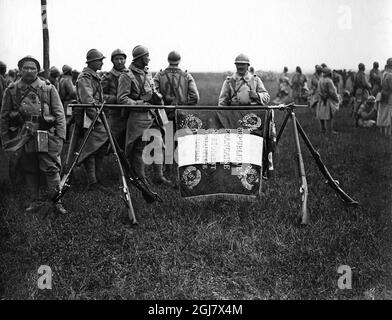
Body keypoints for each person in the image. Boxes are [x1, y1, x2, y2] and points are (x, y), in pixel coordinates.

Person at [0, 55, 67, 213]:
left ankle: (56, 202)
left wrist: (60, 138)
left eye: (33, 68)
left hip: (45, 134)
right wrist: (6, 140)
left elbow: (59, 114)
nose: (29, 71)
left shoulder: (48, 87)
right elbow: (3, 117)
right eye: (26, 68)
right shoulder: (12, 90)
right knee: (28, 168)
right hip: (23, 135)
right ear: (20, 70)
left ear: (38, 70)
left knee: (51, 168)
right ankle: (35, 200)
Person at [153, 50, 200, 186]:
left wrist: (163, 105)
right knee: (182, 144)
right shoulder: (186, 75)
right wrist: (185, 106)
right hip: (182, 114)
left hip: (165, 115)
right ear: (179, 60)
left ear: (168, 59)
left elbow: (153, 93)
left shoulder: (159, 75)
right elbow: (195, 97)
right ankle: (183, 174)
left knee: (167, 145)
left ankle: (168, 174)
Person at [117, 45, 161, 185]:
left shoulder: (147, 73)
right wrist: (138, 103)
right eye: (147, 56)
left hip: (152, 115)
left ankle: (158, 177)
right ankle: (141, 180)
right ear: (141, 58)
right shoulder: (126, 75)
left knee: (158, 144)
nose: (149, 58)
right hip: (137, 117)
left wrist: (157, 97)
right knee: (138, 148)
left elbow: (152, 90)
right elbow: (122, 98)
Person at [73, 49, 109, 190]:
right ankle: (92, 182)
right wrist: (98, 121)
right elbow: (88, 101)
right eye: (100, 60)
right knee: (90, 149)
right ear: (93, 62)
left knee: (99, 148)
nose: (102, 62)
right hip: (89, 118)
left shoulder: (93, 76)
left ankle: (97, 180)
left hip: (96, 115)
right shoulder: (85, 77)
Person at [101, 49, 129, 148]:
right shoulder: (108, 77)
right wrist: (116, 99)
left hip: (130, 113)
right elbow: (101, 95)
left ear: (125, 60)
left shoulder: (131, 75)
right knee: (111, 143)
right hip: (115, 114)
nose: (119, 61)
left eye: (122, 58)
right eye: (116, 59)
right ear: (112, 61)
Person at [315, 67, 339, 134]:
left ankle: (322, 129)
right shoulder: (329, 81)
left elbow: (318, 90)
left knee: (321, 115)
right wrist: (336, 99)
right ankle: (329, 131)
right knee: (329, 116)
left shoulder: (320, 79)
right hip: (328, 100)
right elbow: (332, 92)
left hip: (321, 99)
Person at [377, 58, 392, 137]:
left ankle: (381, 132)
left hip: (382, 94)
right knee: (388, 114)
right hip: (389, 96)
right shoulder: (390, 75)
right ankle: (387, 133)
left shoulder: (383, 73)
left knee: (382, 113)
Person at [58, 64, 76, 131]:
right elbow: (72, 92)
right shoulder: (67, 80)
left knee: (66, 118)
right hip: (69, 103)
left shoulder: (61, 79)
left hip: (65, 102)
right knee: (68, 119)